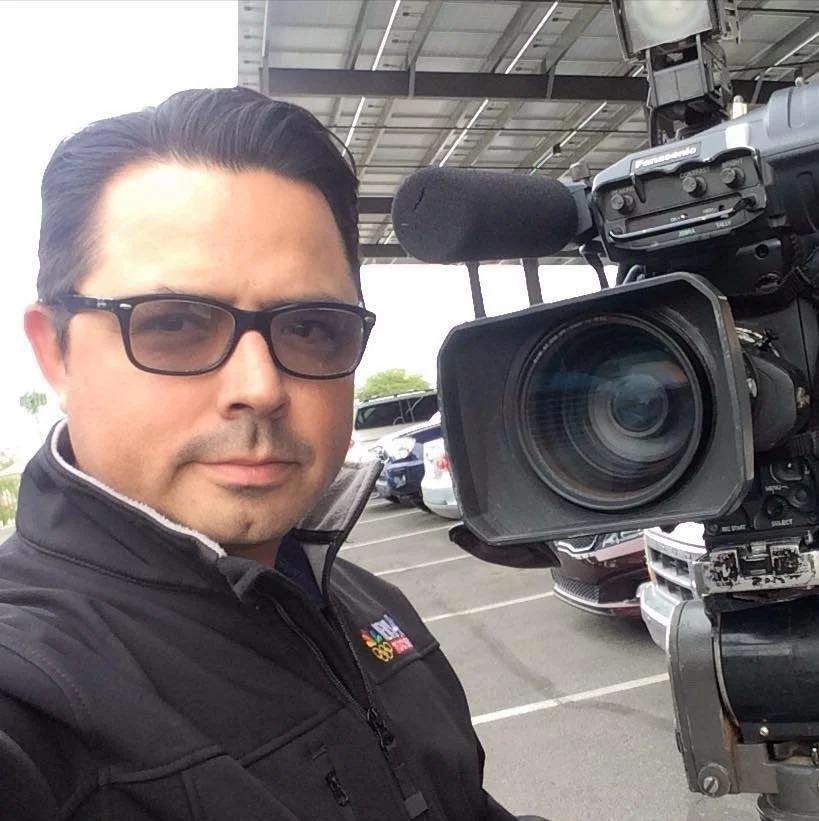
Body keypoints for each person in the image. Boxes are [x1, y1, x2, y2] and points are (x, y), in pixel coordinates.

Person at [0, 87, 538, 821]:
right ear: (53, 352)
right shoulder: (31, 692)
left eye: (313, 328)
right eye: (176, 322)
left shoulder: (362, 601)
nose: (260, 386)